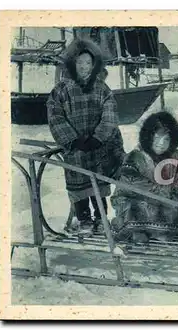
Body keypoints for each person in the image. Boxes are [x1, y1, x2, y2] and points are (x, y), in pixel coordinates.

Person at [47, 38, 125, 235]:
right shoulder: (61, 90)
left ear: (94, 64)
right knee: (78, 185)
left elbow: (110, 115)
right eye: (80, 63)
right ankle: (84, 220)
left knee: (98, 183)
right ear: (73, 63)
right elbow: (55, 117)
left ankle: (101, 218)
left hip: (98, 147)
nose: (83, 67)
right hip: (75, 149)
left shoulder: (102, 89)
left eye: (88, 63)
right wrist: (72, 140)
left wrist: (98, 137)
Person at [110, 112, 178, 244]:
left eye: (166, 139)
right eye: (157, 138)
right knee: (139, 208)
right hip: (133, 198)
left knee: (173, 211)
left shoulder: (175, 158)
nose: (161, 143)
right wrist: (162, 190)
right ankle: (137, 231)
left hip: (163, 201)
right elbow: (133, 184)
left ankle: (156, 232)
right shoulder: (135, 157)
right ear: (149, 137)